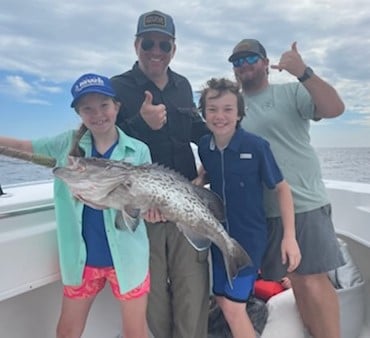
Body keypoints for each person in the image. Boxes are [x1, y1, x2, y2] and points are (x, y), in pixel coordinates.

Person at [0, 73, 152, 338]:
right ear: (79, 113)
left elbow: (142, 203)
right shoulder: (67, 144)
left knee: (135, 333)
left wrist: (152, 210)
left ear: (116, 106)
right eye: (87, 108)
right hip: (82, 262)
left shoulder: (138, 151)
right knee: (67, 331)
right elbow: (25, 146)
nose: (97, 114)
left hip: (128, 260)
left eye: (104, 105)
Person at [228, 38, 346, 338]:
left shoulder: (291, 91)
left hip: (303, 202)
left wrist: (303, 71)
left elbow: (334, 108)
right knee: (297, 281)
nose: (244, 65)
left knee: (313, 280)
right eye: (237, 61)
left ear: (266, 63)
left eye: (250, 58)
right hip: (265, 212)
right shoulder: (233, 109)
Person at [110, 10, 210, 338]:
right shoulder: (117, 88)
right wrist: (142, 124)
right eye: (148, 43)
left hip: (184, 204)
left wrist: (225, 147)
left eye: (163, 45)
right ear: (136, 45)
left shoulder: (183, 86)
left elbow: (198, 131)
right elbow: (104, 144)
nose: (156, 51)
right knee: (151, 297)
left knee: (192, 292)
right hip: (141, 211)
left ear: (174, 49)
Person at [197, 78, 301, 338]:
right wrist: (196, 182)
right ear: (203, 113)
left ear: (240, 113)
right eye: (212, 109)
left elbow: (282, 189)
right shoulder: (204, 146)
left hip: (248, 242)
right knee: (221, 298)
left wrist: (290, 237)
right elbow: (209, 171)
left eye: (228, 109)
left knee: (233, 307)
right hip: (217, 239)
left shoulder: (256, 146)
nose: (220, 116)